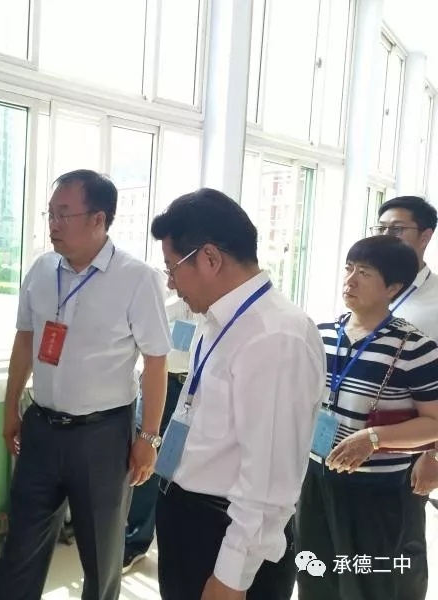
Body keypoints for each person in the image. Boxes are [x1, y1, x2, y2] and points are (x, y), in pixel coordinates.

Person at [0, 169, 172, 600]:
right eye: (50, 213)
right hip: (41, 429)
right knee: (20, 549)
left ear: (98, 219)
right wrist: (11, 408)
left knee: (101, 555)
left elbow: (156, 361)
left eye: (63, 214)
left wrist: (148, 437)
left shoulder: (136, 279)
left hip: (102, 437)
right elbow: (25, 340)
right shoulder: (41, 269)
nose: (53, 224)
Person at [149, 188, 326, 600]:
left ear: (210, 258)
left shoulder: (275, 336)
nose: (171, 283)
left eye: (173, 269)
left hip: (227, 534)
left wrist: (231, 576)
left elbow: (269, 477)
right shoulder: (216, 320)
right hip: (189, 515)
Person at [296, 235, 438, 600]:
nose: (350, 280)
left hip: (376, 489)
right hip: (315, 478)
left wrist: (374, 438)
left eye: (364, 272)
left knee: (370, 583)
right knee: (315, 575)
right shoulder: (321, 335)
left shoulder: (415, 348)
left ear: (393, 287)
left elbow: (435, 422)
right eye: (348, 268)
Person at [373, 196, 438, 600]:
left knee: (400, 553)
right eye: (380, 228)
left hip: (411, 449)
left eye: (396, 229)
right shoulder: (370, 287)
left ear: (425, 236)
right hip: (361, 449)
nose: (386, 236)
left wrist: (435, 456)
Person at [123, 294, 201, 573]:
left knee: (188, 467)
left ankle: (183, 543)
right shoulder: (159, 299)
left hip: (194, 389)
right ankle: (134, 541)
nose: (172, 279)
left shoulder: (214, 304)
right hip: (160, 385)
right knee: (145, 464)